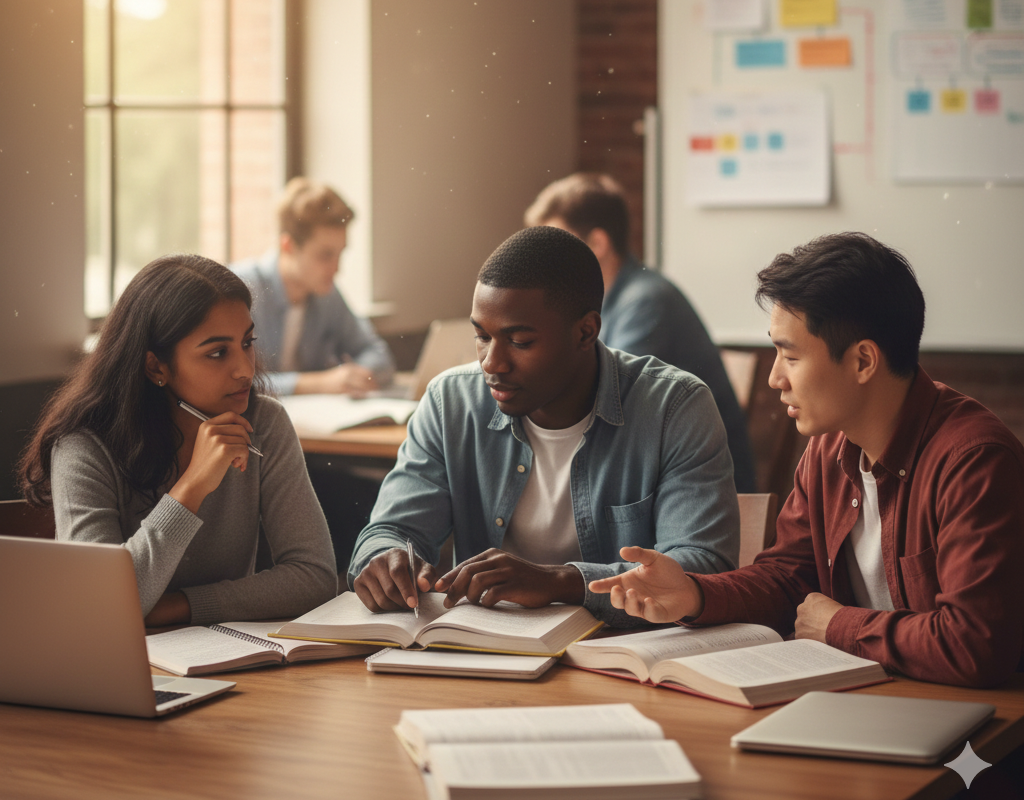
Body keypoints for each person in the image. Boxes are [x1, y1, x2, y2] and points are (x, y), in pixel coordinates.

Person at [589, 232, 1024, 687]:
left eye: (789, 356)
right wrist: (693, 594)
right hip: (873, 698)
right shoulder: (828, 447)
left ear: (862, 362)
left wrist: (836, 626)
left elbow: (976, 645)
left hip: (973, 731)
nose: (775, 378)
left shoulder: (973, 462)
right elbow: (786, 580)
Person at [350, 226, 739, 626]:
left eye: (519, 341)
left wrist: (561, 582)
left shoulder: (675, 408)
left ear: (585, 332)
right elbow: (392, 530)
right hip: (484, 655)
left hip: (620, 655)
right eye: (482, 337)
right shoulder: (450, 402)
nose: (491, 363)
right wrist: (385, 556)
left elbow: (701, 569)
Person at [19, 255, 337, 627]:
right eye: (217, 353)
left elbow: (314, 577)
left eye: (247, 342)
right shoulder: (83, 446)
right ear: (156, 367)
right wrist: (191, 488)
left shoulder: (264, 423)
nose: (246, 369)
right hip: (119, 668)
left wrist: (179, 606)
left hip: (232, 661)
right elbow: (100, 604)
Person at [525, 173, 756, 493]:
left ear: (597, 244)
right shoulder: (607, 299)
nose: (543, 262)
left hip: (699, 490)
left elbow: (604, 405)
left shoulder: (647, 303)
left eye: (556, 245)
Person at [231, 177, 395, 397]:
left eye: (340, 253)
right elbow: (233, 381)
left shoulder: (327, 294)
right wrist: (315, 384)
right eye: (325, 255)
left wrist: (360, 375)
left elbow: (376, 353)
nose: (337, 269)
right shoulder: (240, 291)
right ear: (288, 246)